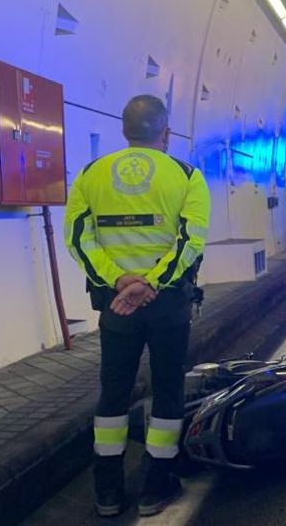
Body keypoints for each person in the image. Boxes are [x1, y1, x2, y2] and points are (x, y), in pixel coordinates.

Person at [64, 94, 210, 518]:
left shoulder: (92, 174)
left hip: (116, 307)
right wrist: (152, 283)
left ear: (124, 131)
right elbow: (190, 242)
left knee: (113, 393)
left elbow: (78, 238)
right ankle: (154, 488)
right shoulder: (186, 175)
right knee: (167, 392)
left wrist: (119, 282)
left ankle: (107, 492)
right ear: (165, 133)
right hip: (167, 306)